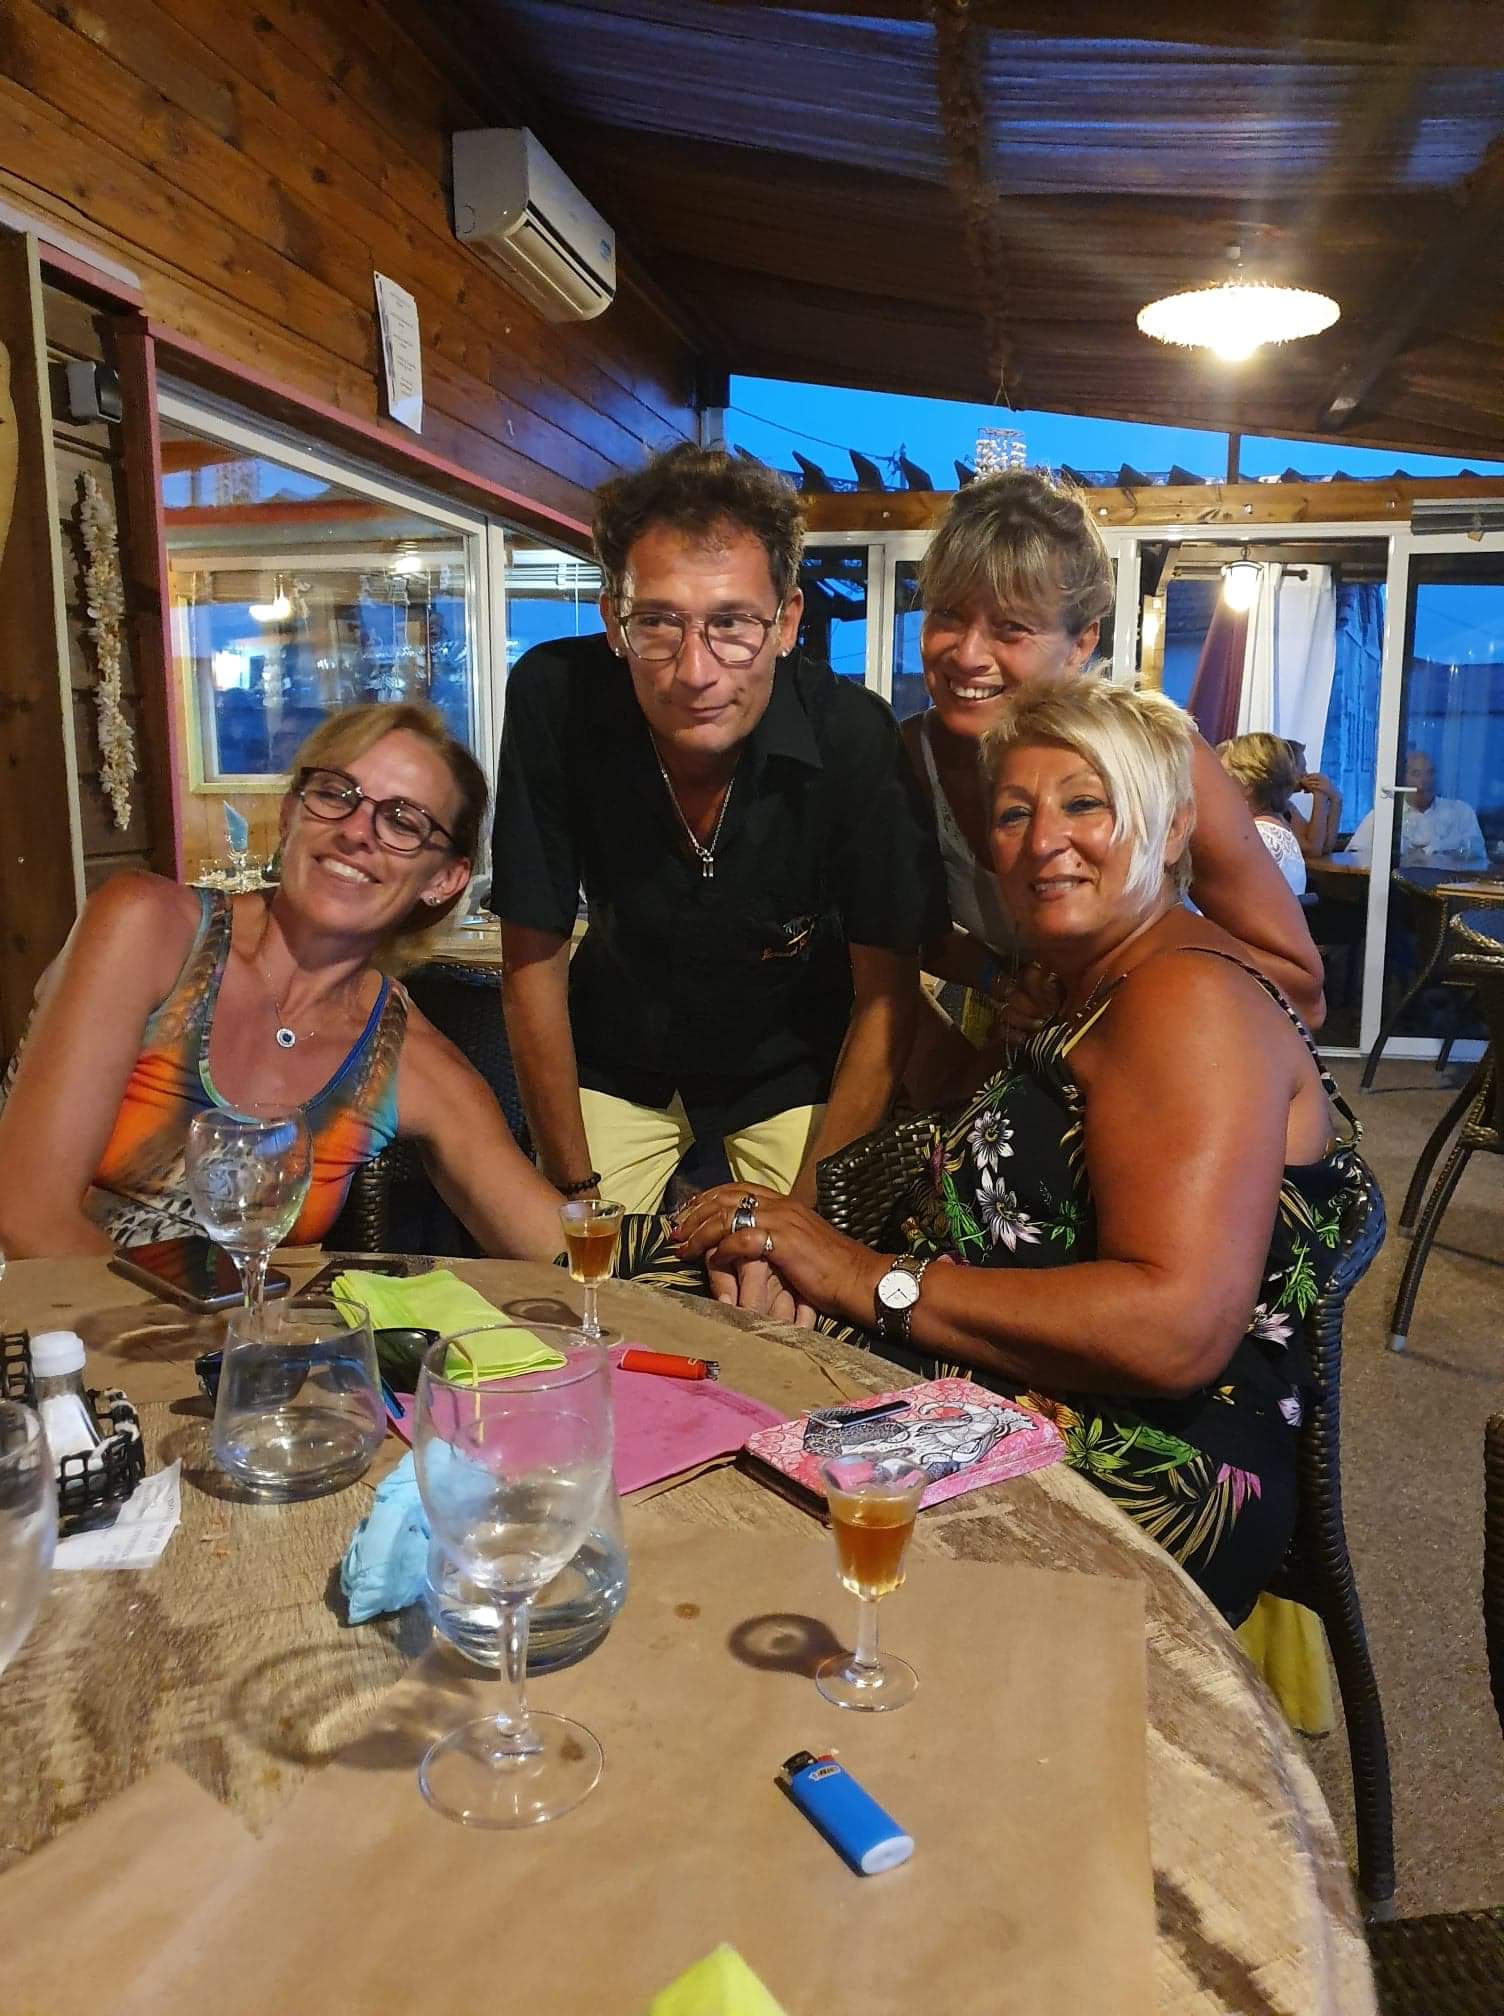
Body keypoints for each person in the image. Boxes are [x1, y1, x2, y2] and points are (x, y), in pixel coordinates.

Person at [668, 678, 1367, 1625]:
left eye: (1086, 803)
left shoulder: (1185, 1000)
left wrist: (861, 1278)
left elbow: (1173, 1328)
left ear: (1171, 831)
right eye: (1013, 814)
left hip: (1131, 1457)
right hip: (999, 1382)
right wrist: (801, 1255)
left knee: (698, 1463)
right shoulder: (1097, 986)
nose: (1043, 841)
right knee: (674, 1315)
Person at [491, 443, 947, 1227]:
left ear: (787, 622)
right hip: (615, 1052)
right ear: (613, 622)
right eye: (657, 623)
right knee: (573, 1271)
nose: (697, 671)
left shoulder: (851, 734)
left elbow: (885, 994)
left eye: (732, 623)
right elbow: (530, 959)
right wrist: (576, 1196)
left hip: (793, 1061)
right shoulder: (553, 697)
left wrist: (806, 1228)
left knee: (809, 1282)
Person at [0, 703, 565, 1260]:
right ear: (291, 813)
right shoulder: (150, 928)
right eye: (336, 794)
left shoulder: (404, 1057)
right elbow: (26, 1216)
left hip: (242, 1323)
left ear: (444, 879)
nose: (356, 831)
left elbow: (563, 1249)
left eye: (403, 822)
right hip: (40, 1311)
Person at [897, 473, 1325, 1091]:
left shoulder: (1160, 755)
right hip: (1023, 1040)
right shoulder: (910, 758)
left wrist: (1091, 985)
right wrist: (1008, 984)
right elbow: (915, 933)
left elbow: (1300, 988)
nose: (967, 654)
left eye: (1011, 627)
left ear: (1083, 641)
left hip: (1169, 1045)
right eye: (948, 614)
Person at [1348, 750, 1487, 868]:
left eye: (1430, 773)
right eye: (1416, 774)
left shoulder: (1461, 812)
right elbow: (1354, 854)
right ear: (1403, 779)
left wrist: (1446, 858)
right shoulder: (1384, 814)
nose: (1425, 780)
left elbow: (1479, 858)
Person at [1216, 733, 1308, 895]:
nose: (1216, 786)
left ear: (1247, 785)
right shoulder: (1276, 830)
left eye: (1223, 777)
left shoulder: (1257, 837)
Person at [1282, 740, 1343, 859]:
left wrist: (1336, 800)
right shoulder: (1275, 808)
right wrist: (1319, 794)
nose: (1306, 774)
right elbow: (1313, 849)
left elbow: (1325, 846)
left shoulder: (1288, 806)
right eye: (1302, 769)